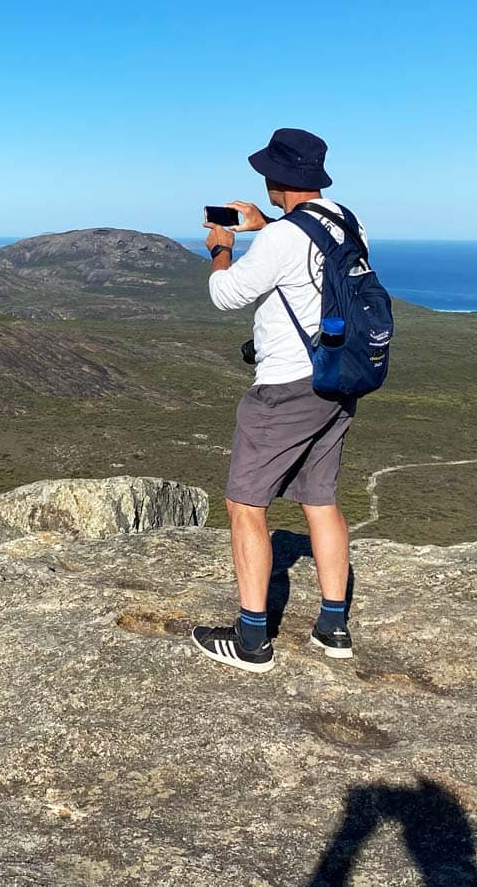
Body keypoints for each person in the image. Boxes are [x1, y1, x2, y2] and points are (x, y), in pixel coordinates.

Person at [191, 127, 366, 674]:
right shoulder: (344, 220)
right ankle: (333, 625)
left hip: (285, 388)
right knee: (320, 499)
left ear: (276, 177)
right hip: (336, 379)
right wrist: (265, 226)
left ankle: (251, 641)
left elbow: (226, 295)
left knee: (246, 504)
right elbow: (306, 257)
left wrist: (223, 249)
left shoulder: (282, 238)